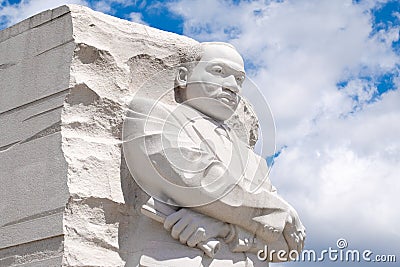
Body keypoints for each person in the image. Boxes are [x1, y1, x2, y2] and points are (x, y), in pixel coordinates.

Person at [123, 42, 305, 266]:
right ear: (183, 77)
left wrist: (223, 229)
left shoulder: (254, 163)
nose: (233, 87)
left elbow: (288, 246)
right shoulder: (152, 116)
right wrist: (281, 213)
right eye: (219, 72)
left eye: (239, 80)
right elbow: (197, 182)